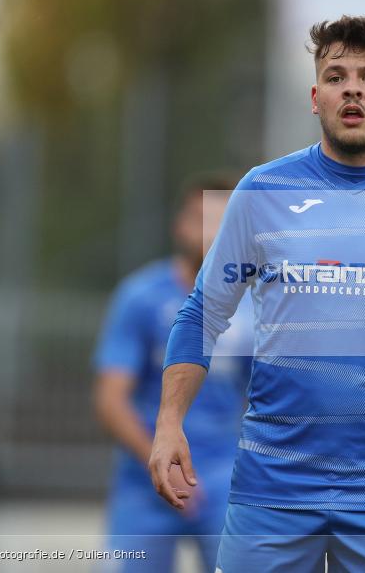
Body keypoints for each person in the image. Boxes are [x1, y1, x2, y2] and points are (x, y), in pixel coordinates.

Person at [149, 16, 365, 573]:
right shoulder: (262, 192)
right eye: (336, 76)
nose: (353, 87)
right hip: (272, 483)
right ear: (316, 97)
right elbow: (200, 317)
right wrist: (169, 424)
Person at [93, 181, 253, 572]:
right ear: (179, 225)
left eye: (221, 220)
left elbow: (265, 395)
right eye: (201, 219)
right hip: (143, 477)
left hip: (223, 478)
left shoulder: (254, 306)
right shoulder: (141, 297)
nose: (210, 231)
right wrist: (158, 457)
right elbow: (111, 399)